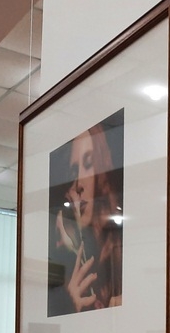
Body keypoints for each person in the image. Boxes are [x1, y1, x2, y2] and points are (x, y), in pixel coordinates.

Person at [48, 123, 123, 315]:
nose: (79, 184)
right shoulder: (70, 260)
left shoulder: (121, 251)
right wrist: (69, 305)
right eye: (74, 172)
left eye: (88, 164)